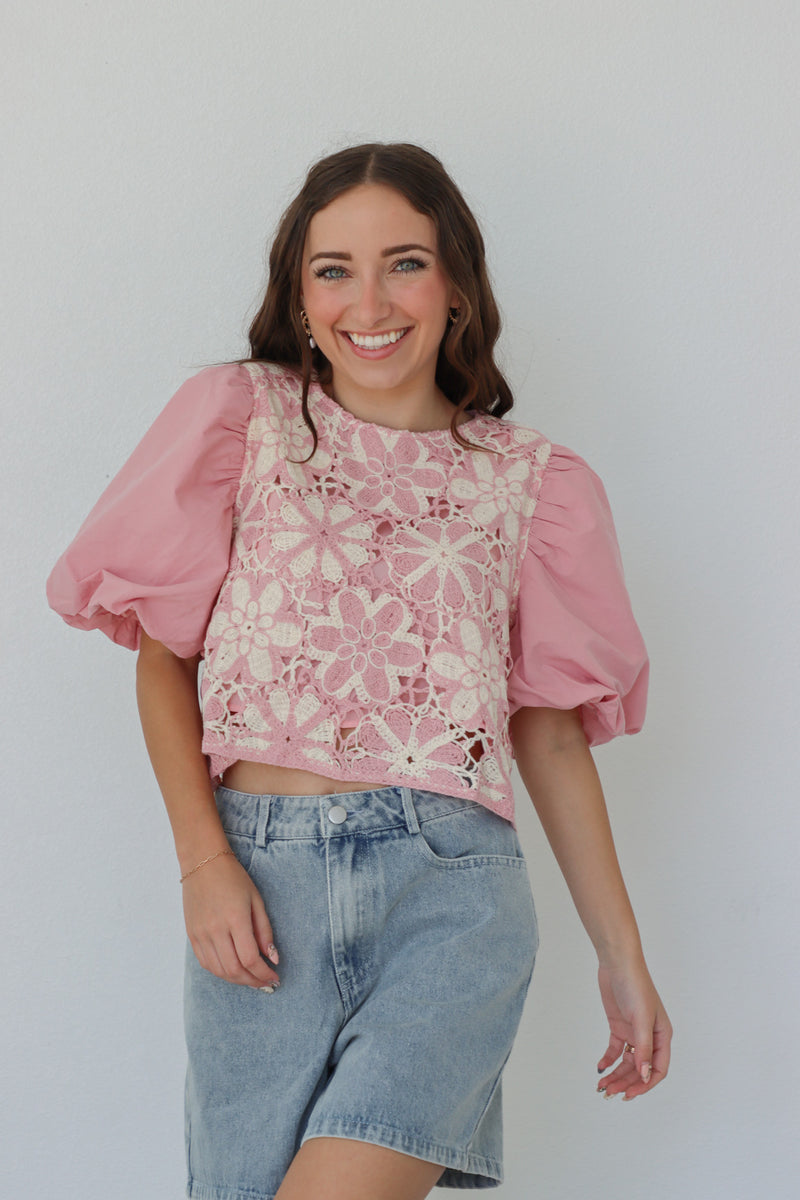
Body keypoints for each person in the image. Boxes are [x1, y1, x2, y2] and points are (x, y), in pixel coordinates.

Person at [47, 142, 672, 1200]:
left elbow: (551, 734)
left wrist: (622, 957)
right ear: (297, 297)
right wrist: (204, 861)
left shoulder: (533, 487)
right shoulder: (241, 423)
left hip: (452, 900)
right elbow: (165, 661)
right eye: (332, 268)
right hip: (257, 895)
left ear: (457, 289)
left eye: (404, 262)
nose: (368, 299)